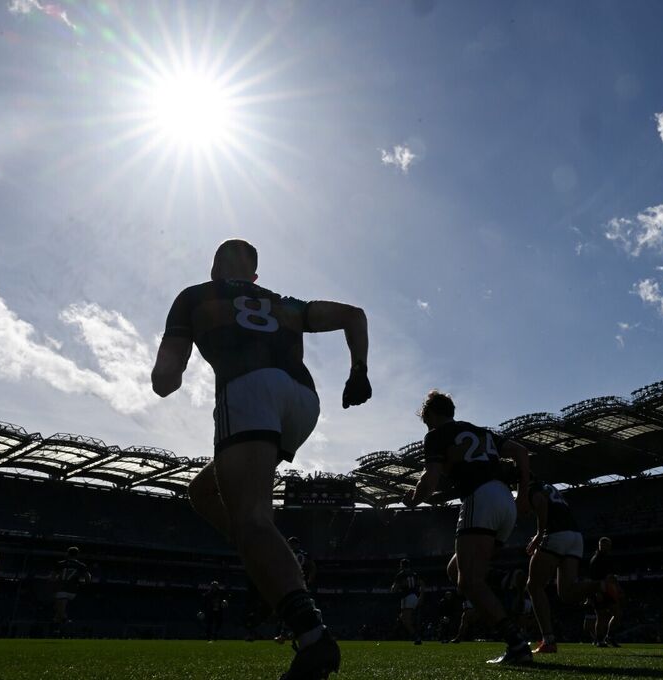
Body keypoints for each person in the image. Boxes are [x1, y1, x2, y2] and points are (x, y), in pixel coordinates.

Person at [152, 239, 370, 680]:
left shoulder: (195, 296)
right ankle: (271, 559)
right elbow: (353, 315)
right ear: (254, 276)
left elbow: (165, 381)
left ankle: (311, 635)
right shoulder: (283, 304)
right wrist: (359, 372)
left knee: (251, 520)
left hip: (248, 390)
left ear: (215, 269)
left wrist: (167, 372)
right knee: (204, 492)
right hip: (303, 402)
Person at [404, 389, 532, 666]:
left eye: (426, 420)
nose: (426, 425)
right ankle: (502, 582)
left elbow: (431, 478)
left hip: (480, 499)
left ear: (431, 415)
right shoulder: (480, 431)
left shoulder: (436, 435)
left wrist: (413, 500)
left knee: (468, 581)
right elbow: (521, 452)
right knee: (456, 570)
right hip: (505, 502)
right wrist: (522, 495)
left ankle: (516, 643)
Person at [524, 480, 611, 654]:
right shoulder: (549, 487)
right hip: (575, 537)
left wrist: (539, 534)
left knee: (533, 586)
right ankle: (600, 585)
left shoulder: (532, 488)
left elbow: (540, 502)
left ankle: (548, 640)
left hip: (556, 534)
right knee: (567, 593)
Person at [588, 537, 623, 647]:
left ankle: (609, 636)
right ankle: (599, 640)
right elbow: (593, 579)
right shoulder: (596, 559)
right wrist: (597, 592)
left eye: (608, 545)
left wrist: (618, 588)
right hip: (600, 590)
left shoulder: (607, 558)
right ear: (599, 545)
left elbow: (611, 576)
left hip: (609, 589)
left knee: (617, 614)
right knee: (601, 616)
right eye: (604, 545)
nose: (606, 547)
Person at [51, 546, 90, 637]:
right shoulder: (81, 565)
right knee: (58, 610)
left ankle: (66, 622)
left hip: (62, 588)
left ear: (67, 553)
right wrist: (85, 583)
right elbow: (88, 576)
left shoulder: (60, 564)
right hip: (73, 590)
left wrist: (54, 583)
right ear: (77, 555)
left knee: (60, 609)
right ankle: (57, 630)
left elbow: (53, 576)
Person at [391, 559, 423, 644]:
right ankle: (411, 635)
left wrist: (393, 587)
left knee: (406, 621)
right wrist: (421, 596)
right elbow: (422, 584)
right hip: (415, 597)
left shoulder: (400, 575)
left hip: (407, 597)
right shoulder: (414, 574)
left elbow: (394, 589)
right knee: (403, 618)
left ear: (401, 565)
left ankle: (417, 637)